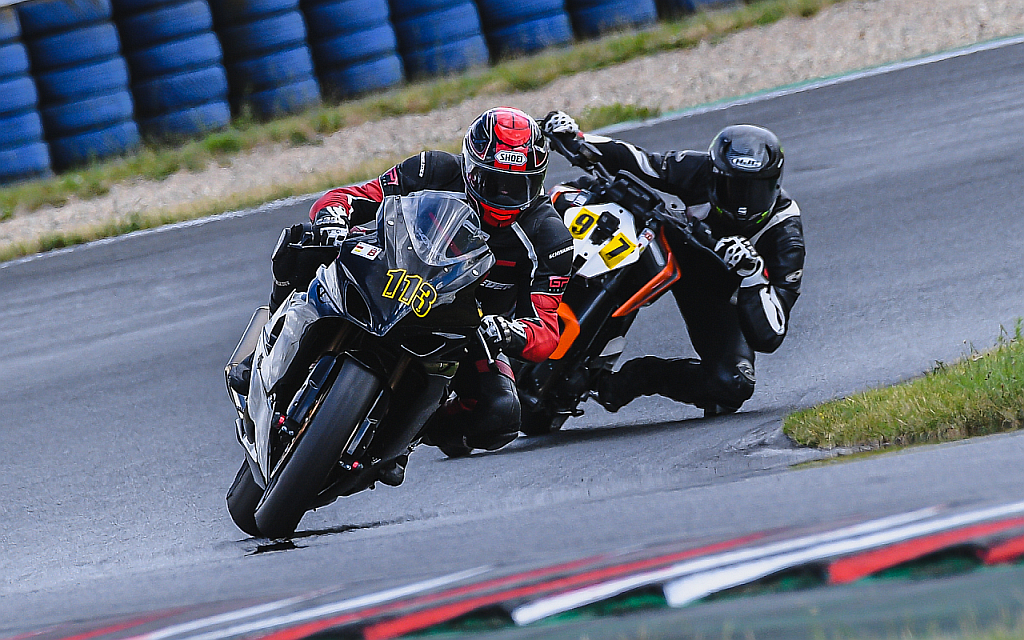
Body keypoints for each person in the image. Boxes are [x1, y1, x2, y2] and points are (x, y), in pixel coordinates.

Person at [269, 107, 573, 469]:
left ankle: (405, 436)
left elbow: (545, 330)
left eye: (518, 186)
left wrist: (507, 332)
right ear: (471, 168)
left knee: (501, 413)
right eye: (493, 182)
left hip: (467, 327)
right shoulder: (433, 169)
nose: (504, 196)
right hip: (393, 275)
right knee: (300, 243)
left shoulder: (549, 237)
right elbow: (354, 196)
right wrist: (333, 217)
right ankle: (271, 338)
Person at [541, 111, 805, 417]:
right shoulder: (699, 169)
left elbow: (770, 334)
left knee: (732, 384)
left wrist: (752, 274)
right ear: (715, 174)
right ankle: (540, 294)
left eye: (756, 190)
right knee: (596, 204)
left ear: (775, 184)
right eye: (733, 188)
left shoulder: (785, 234)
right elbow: (640, 162)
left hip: (717, 290)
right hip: (672, 244)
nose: (743, 204)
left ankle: (638, 378)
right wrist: (576, 140)